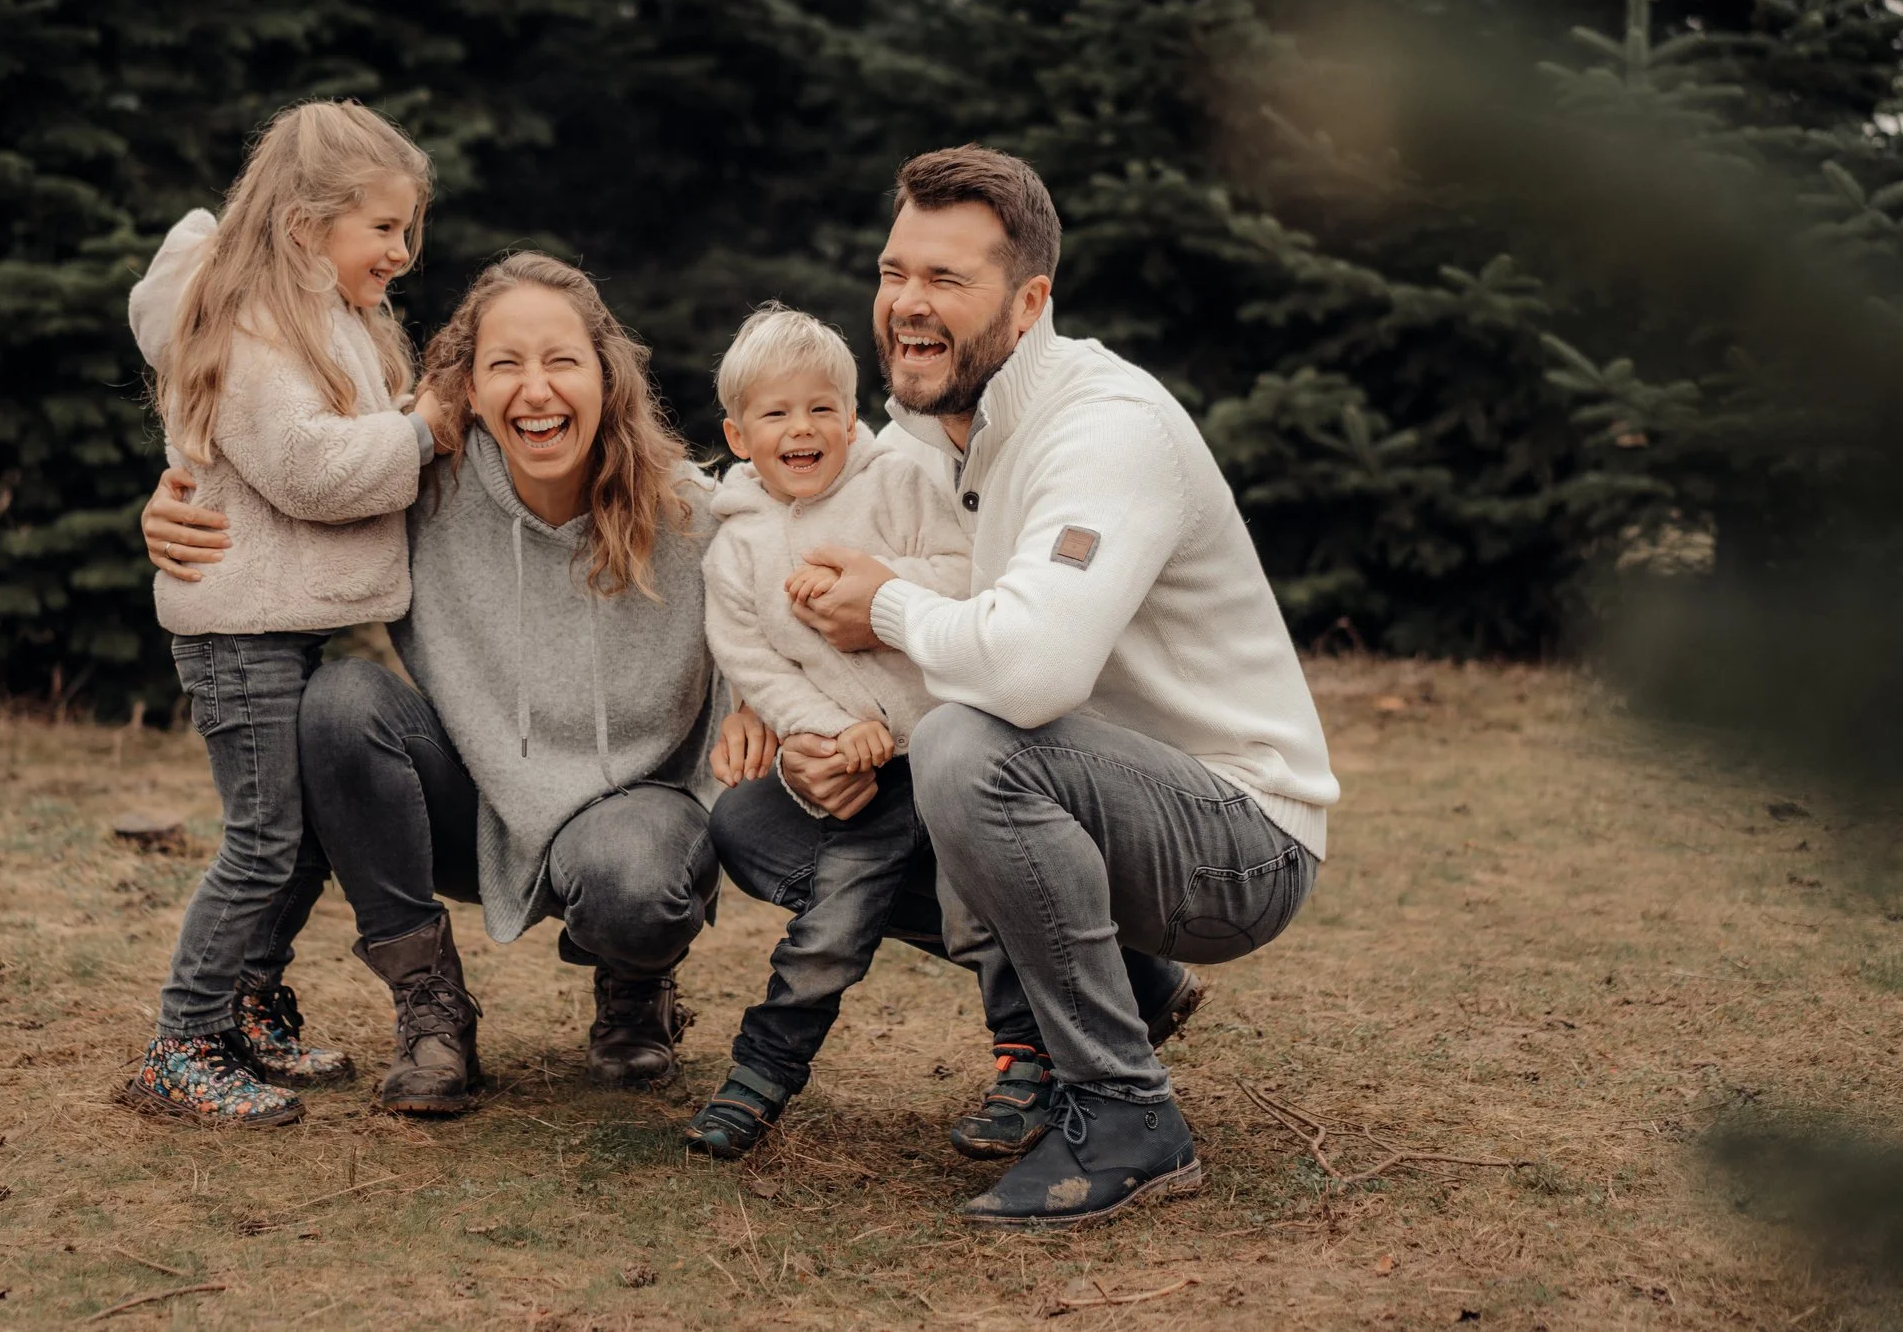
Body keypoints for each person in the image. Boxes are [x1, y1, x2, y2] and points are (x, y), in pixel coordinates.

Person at [733, 144, 1339, 1228]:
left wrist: (879, 604)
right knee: (762, 820)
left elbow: (1030, 668)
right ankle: (1131, 991)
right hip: (1083, 803)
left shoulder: (1105, 429)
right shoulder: (922, 435)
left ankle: (1124, 1113)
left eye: (945, 281)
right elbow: (790, 505)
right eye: (891, 272)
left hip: (1238, 836)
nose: (906, 306)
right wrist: (786, 709)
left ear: (1029, 300)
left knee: (970, 743)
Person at [140, 251, 745, 1115]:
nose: (535, 390)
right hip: (479, 799)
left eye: (561, 362)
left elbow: (817, 503)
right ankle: (430, 1006)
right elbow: (292, 480)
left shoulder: (694, 512)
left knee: (634, 879)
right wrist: (176, 506)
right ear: (467, 387)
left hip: (631, 811)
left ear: (607, 377)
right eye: (506, 364)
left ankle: (635, 983)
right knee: (339, 705)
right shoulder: (419, 489)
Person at [122, 100, 449, 1129]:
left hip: (278, 625)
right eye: (384, 228)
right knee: (263, 841)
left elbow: (331, 435)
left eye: (409, 228)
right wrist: (427, 432)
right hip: (238, 635)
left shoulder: (325, 318)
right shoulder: (259, 327)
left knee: (298, 837)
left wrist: (407, 419)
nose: (403, 250)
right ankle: (181, 1043)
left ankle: (248, 1007)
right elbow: (310, 469)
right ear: (308, 226)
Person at [680, 306, 970, 1159]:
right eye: (775, 414)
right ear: (738, 434)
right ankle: (758, 1079)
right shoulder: (736, 551)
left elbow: (963, 576)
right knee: (829, 930)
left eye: (820, 409)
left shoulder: (899, 486)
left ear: (851, 417)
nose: (800, 428)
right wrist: (834, 730)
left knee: (982, 911)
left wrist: (884, 585)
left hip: (954, 753)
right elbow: (755, 668)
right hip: (865, 776)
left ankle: (1032, 1061)